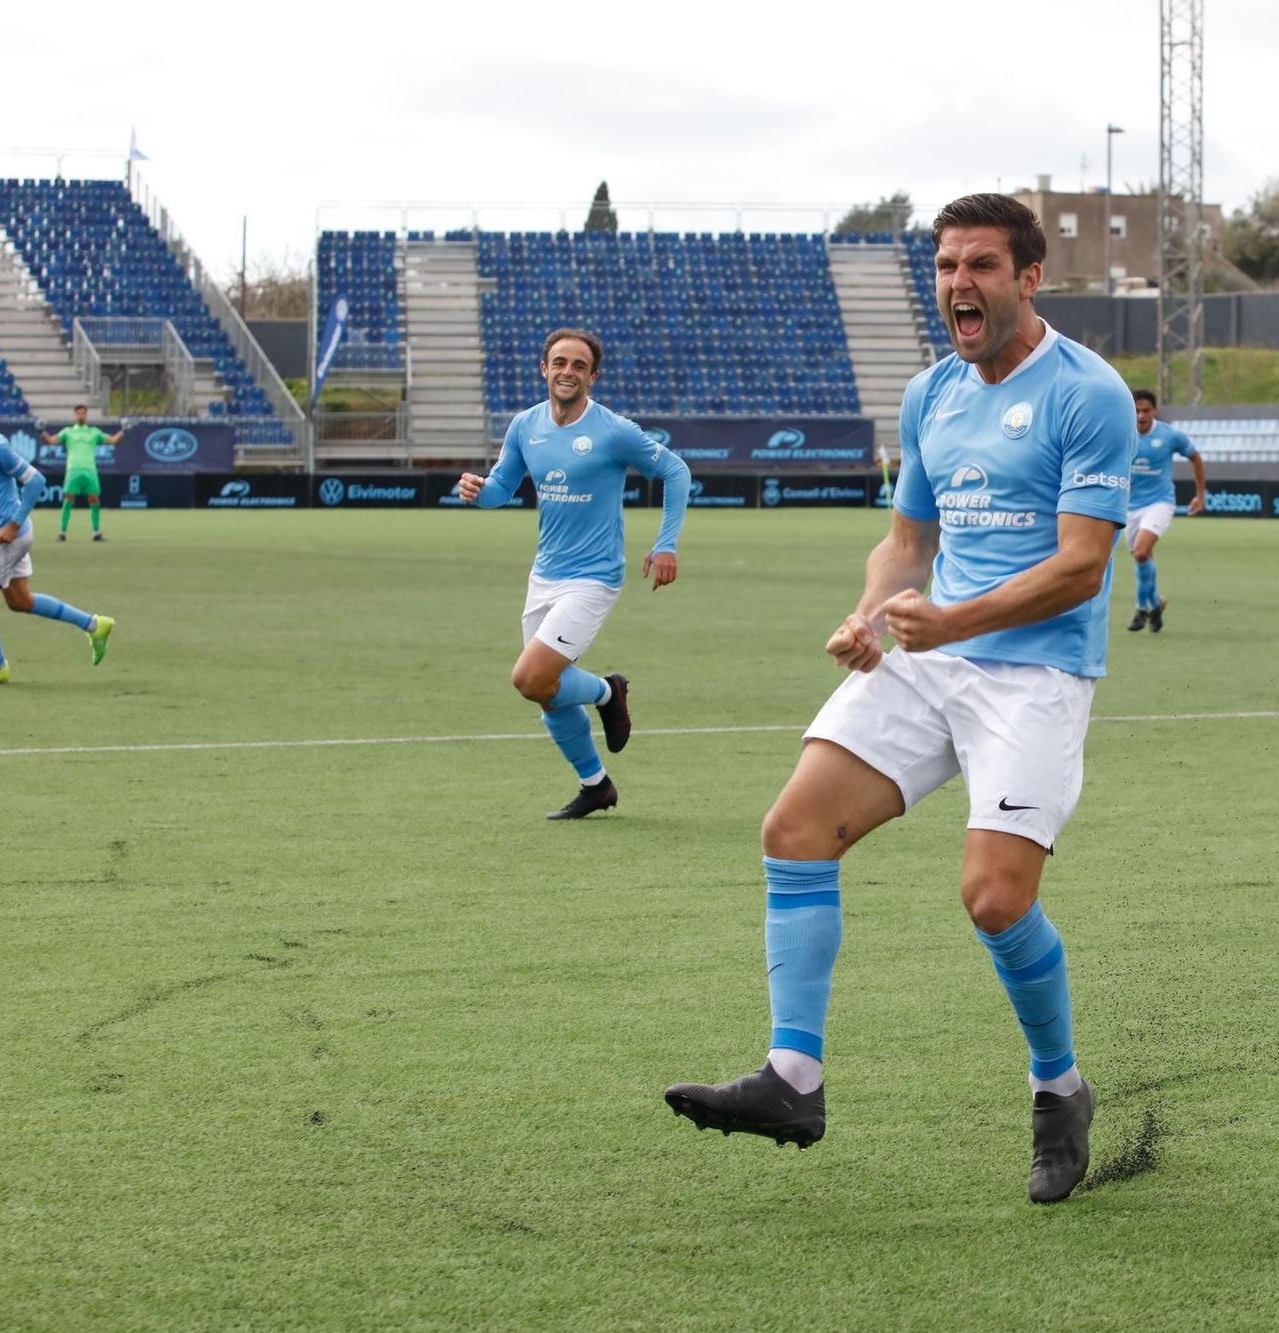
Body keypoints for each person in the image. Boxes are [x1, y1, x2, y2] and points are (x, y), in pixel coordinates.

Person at [663, 194, 1132, 1204]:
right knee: (793, 827)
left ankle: (1059, 1089)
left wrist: (950, 622)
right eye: (946, 266)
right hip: (928, 655)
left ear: (1027, 278)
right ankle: (793, 1078)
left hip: (1034, 674)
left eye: (980, 266)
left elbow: (1082, 567)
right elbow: (907, 540)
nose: (959, 283)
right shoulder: (931, 394)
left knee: (995, 898)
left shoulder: (1084, 393)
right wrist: (868, 614)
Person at [456, 329, 691, 819]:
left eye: (579, 365)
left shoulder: (612, 430)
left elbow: (676, 471)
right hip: (544, 574)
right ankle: (596, 784)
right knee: (546, 693)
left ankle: (608, 691)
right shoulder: (525, 425)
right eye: (559, 362)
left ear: (592, 375)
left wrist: (666, 543)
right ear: (544, 368)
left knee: (529, 677)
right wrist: (480, 490)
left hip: (594, 577)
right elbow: (502, 489)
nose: (568, 371)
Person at [0, 383, 114, 683]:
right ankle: (95, 625)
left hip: (10, 535)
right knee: (20, 601)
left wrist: (14, 523)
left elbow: (35, 481)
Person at [1125, 388, 1205, 632]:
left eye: (1145, 410)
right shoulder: (1122, 432)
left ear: (1155, 411)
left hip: (1159, 502)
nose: (1140, 415)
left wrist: (1200, 494)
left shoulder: (1169, 436)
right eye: (1137, 410)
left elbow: (1195, 458)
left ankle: (1141, 608)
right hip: (1129, 507)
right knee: (1143, 557)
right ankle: (1156, 603)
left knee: (1140, 552)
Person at [40, 405, 123, 541]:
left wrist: (124, 432)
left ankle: (96, 532)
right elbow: (50, 441)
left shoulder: (94, 432)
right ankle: (62, 532)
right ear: (75, 415)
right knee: (68, 499)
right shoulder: (68, 432)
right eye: (78, 413)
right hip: (73, 469)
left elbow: (113, 441)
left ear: (86, 415)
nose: (80, 416)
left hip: (90, 470)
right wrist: (41, 431)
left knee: (94, 499)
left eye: (83, 413)